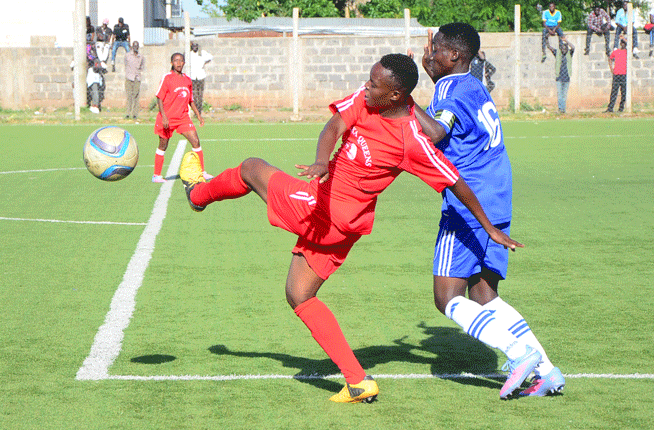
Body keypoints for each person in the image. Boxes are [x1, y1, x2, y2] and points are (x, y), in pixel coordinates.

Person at [177, 53, 523, 403]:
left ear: (396, 95)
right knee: (299, 294)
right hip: (344, 225)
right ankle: (358, 381)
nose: (367, 87)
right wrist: (322, 161)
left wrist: (489, 228)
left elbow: (456, 182)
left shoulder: (411, 141)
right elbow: (334, 127)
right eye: (369, 80)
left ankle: (197, 195)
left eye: (375, 85)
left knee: (251, 168)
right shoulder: (366, 100)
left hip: (322, 210)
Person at [416, 22, 564, 399]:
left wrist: (402, 101)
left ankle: (519, 355)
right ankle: (547, 370)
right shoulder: (473, 84)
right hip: (497, 197)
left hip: (469, 204)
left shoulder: (449, 91)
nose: (429, 56)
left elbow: (435, 132)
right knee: (485, 296)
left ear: (453, 56)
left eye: (436, 51)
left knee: (446, 298)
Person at [153, 52, 211, 183]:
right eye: (176, 60)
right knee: (163, 145)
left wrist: (198, 115)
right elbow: (160, 98)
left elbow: (191, 100)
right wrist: (164, 117)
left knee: (196, 141)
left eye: (181, 61)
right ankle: (156, 175)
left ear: (184, 62)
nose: (178, 63)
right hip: (167, 118)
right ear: (171, 63)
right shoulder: (167, 78)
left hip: (183, 118)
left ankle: (202, 172)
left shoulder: (187, 80)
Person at [548, 39, 575, 113]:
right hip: (559, 78)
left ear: (567, 49)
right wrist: (546, 40)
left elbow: (573, 48)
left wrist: (566, 41)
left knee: (564, 96)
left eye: (565, 48)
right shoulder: (557, 53)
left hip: (567, 78)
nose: (564, 50)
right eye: (562, 48)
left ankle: (563, 110)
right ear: (560, 49)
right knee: (560, 95)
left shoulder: (569, 53)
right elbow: (550, 47)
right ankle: (561, 109)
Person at [605, 37, 628, 113]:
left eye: (625, 44)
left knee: (623, 92)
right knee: (614, 92)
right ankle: (610, 108)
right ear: (620, 44)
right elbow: (610, 58)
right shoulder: (616, 51)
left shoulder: (627, 52)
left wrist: (625, 38)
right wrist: (611, 68)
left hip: (624, 74)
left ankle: (621, 108)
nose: (623, 45)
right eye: (622, 43)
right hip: (617, 74)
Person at [189, 42, 213, 114]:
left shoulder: (202, 53)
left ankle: (199, 111)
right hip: (193, 77)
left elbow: (211, 57)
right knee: (194, 95)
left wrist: (205, 62)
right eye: (193, 46)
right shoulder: (189, 54)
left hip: (201, 76)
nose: (195, 48)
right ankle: (196, 111)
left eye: (196, 46)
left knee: (200, 95)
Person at [124, 41, 144, 120]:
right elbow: (125, 64)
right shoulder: (127, 56)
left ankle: (135, 114)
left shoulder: (141, 57)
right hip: (129, 77)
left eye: (137, 46)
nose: (135, 47)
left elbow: (142, 66)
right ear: (132, 47)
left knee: (136, 96)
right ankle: (128, 113)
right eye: (134, 46)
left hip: (137, 78)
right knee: (129, 96)